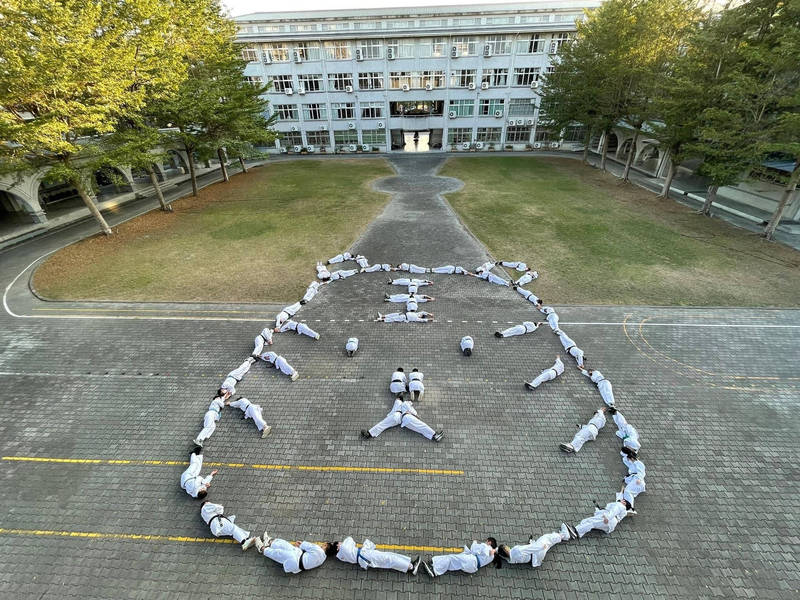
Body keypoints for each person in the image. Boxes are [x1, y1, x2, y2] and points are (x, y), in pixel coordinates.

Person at [360, 398, 443, 442]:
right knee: (421, 427)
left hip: (404, 421)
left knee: (420, 428)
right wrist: (416, 415)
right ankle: (434, 435)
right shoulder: (405, 403)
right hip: (406, 418)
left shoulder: (399, 403)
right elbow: (413, 410)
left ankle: (434, 436)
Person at [497, 523, 577, 567]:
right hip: (537, 552)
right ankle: (564, 534)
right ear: (505, 549)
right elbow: (531, 548)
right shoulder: (516, 551)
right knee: (546, 538)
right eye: (506, 546)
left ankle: (564, 536)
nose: (507, 546)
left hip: (535, 559)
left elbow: (499, 553)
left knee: (550, 543)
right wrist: (540, 546)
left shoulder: (509, 560)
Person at [336, 536, 421, 574]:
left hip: (364, 559)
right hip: (366, 555)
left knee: (388, 560)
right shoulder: (343, 548)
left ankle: (408, 565)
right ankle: (411, 567)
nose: (340, 542)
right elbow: (350, 539)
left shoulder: (340, 557)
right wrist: (342, 544)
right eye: (338, 543)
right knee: (389, 558)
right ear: (337, 547)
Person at [255, 534, 335, 574]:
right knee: (285, 547)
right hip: (297, 567)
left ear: (325, 545)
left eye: (324, 544)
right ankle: (269, 542)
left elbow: (299, 543)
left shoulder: (317, 549)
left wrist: (300, 544)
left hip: (294, 558)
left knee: (278, 553)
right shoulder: (323, 559)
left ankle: (262, 548)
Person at [422, 538, 499, 577]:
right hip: (472, 568)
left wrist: (474, 542)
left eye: (486, 541)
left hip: (471, 560)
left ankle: (434, 570)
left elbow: (473, 549)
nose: (485, 542)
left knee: (451, 558)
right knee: (453, 563)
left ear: (489, 542)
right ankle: (434, 563)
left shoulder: (486, 546)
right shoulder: (492, 557)